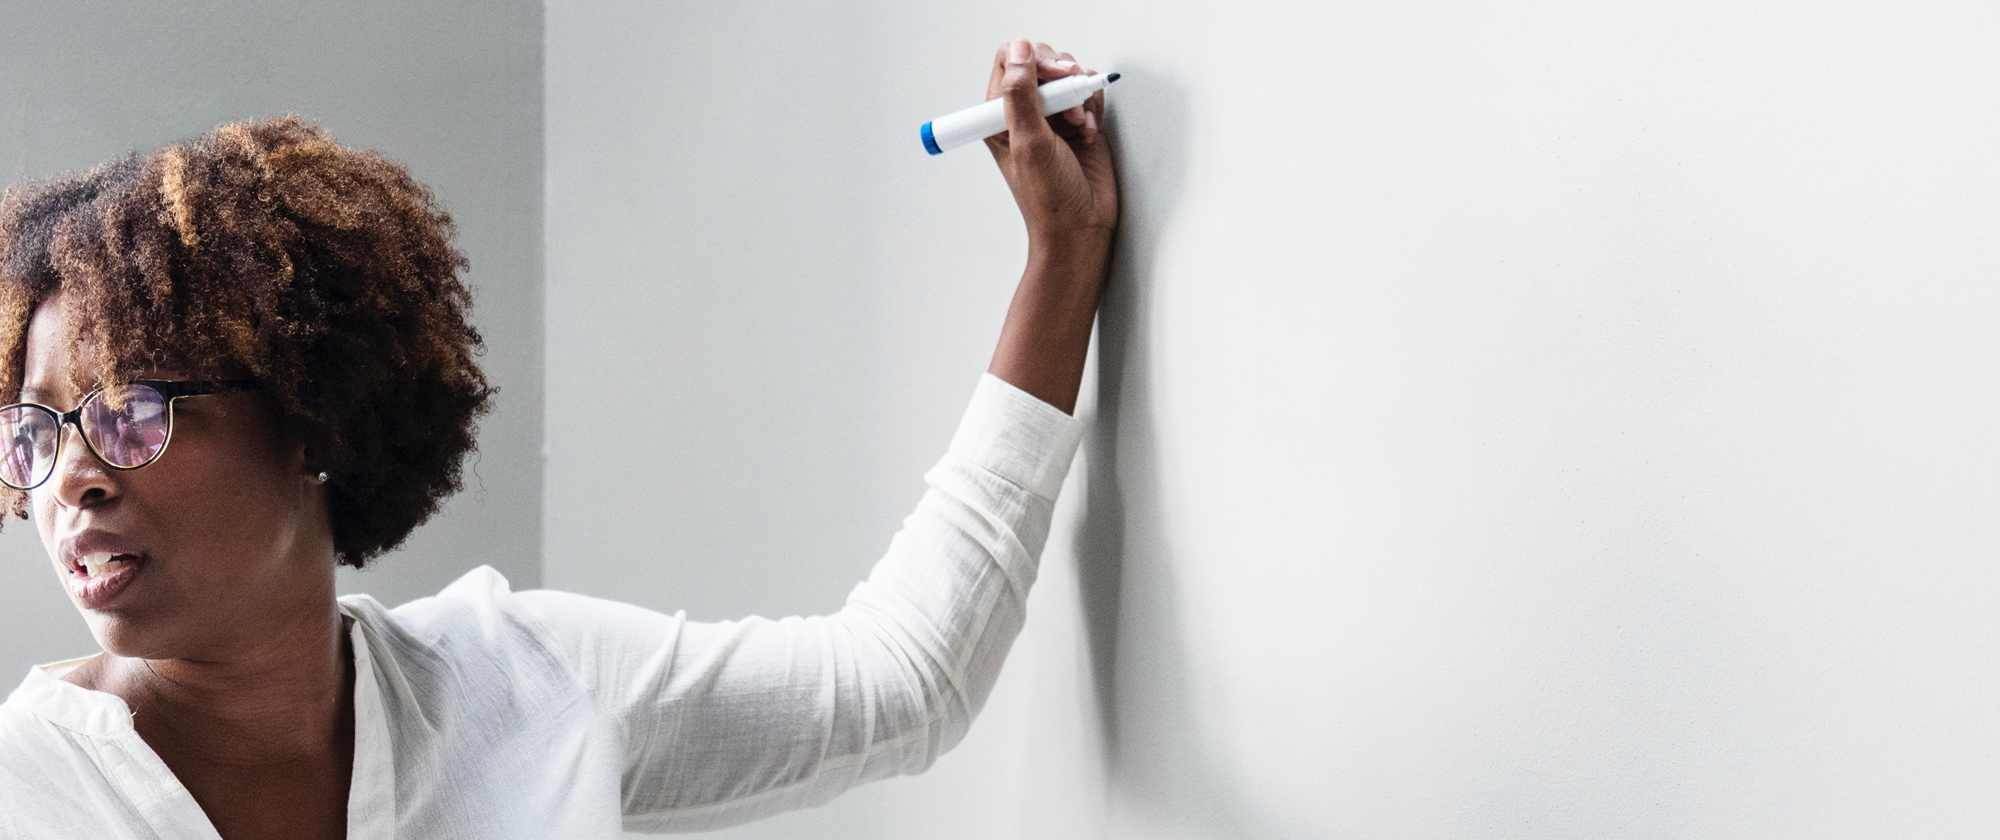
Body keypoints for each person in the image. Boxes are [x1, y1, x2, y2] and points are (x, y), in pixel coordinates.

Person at [0, 39, 1114, 838]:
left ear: (307, 417)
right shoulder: (27, 793)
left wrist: (1059, 262)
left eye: (132, 410)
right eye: (35, 432)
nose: (71, 480)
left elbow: (899, 684)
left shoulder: (525, 687)